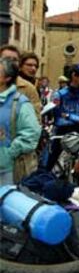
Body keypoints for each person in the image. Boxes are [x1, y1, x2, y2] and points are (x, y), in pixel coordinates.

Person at [0, 57, 41, 185]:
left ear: (6, 78)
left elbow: (31, 133)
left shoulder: (19, 103)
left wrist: (8, 154)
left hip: (6, 171)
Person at [47, 63, 79, 170]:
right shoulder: (59, 95)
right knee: (47, 163)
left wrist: (69, 116)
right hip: (61, 133)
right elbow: (58, 120)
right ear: (74, 76)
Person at [0, 45, 41, 121]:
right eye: (7, 59)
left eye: (15, 60)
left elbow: (35, 120)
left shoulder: (28, 88)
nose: (11, 62)